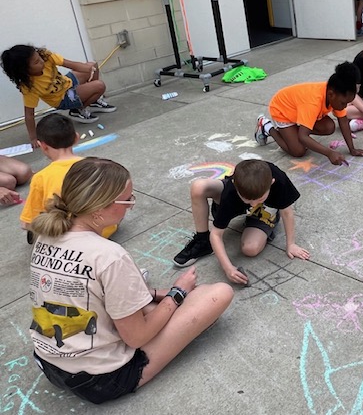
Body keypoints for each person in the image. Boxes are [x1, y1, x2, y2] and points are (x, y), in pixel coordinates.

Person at [29, 157, 233, 404]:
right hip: (102, 379)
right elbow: (136, 338)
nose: (131, 206)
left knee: (147, 302)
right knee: (218, 293)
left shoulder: (47, 236)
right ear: (99, 208)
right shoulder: (109, 255)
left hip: (50, 363)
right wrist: (177, 293)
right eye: (127, 200)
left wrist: (157, 295)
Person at [172, 159, 307, 284]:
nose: (253, 204)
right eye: (248, 200)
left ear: (272, 183)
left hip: (265, 210)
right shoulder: (231, 193)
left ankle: (262, 213)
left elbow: (287, 212)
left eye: (259, 199)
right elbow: (216, 234)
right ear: (234, 184)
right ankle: (202, 241)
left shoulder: (279, 180)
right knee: (198, 186)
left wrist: (291, 244)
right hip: (236, 195)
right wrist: (228, 268)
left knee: (250, 249)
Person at [20, 113, 117, 244]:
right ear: (76, 138)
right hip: (103, 230)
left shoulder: (41, 177)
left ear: (42, 145)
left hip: (67, 238)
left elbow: (27, 221)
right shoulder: (95, 166)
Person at [254, 62, 363, 165]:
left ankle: (292, 132)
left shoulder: (336, 93)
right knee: (298, 151)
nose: (344, 106)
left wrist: (352, 149)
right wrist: (329, 153)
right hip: (282, 110)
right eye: (343, 103)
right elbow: (303, 136)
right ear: (331, 94)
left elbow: (343, 121)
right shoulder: (313, 102)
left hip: (298, 110)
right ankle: (267, 127)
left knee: (329, 127)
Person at [1, 45, 116, 146]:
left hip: (67, 82)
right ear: (24, 70)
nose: (41, 62)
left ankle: (93, 101)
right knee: (99, 86)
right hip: (64, 98)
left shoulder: (46, 57)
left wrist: (88, 69)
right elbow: (29, 114)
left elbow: (70, 64)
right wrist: (33, 137)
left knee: (92, 64)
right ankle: (78, 109)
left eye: (39, 58)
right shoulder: (29, 86)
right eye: (36, 62)